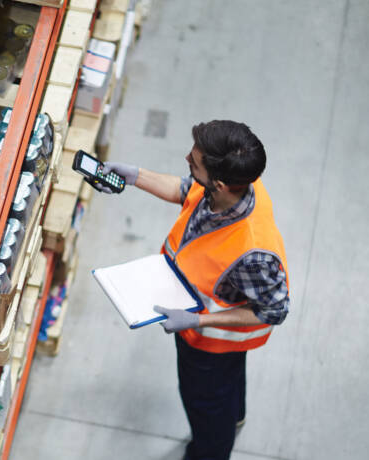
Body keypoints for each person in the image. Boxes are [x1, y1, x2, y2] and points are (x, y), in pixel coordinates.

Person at [100, 120, 289, 460]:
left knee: (206, 408)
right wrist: (135, 175)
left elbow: (273, 310)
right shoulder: (236, 185)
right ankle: (235, 415)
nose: (187, 157)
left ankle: (211, 451)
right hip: (207, 335)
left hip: (208, 346)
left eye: (194, 159)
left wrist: (197, 323)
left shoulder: (254, 254)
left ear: (218, 183)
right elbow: (188, 189)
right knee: (230, 384)